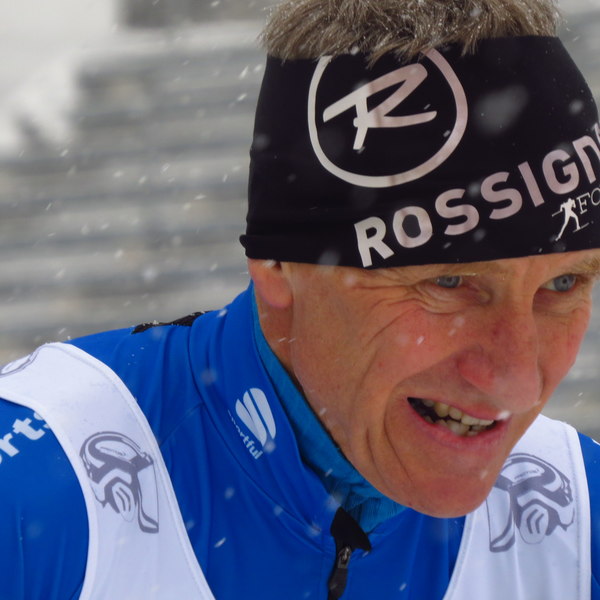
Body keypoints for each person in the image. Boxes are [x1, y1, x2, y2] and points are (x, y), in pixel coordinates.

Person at [1, 0, 600, 598]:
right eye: (448, 284)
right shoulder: (34, 490)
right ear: (278, 264)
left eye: (563, 285)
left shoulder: (578, 520)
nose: (518, 383)